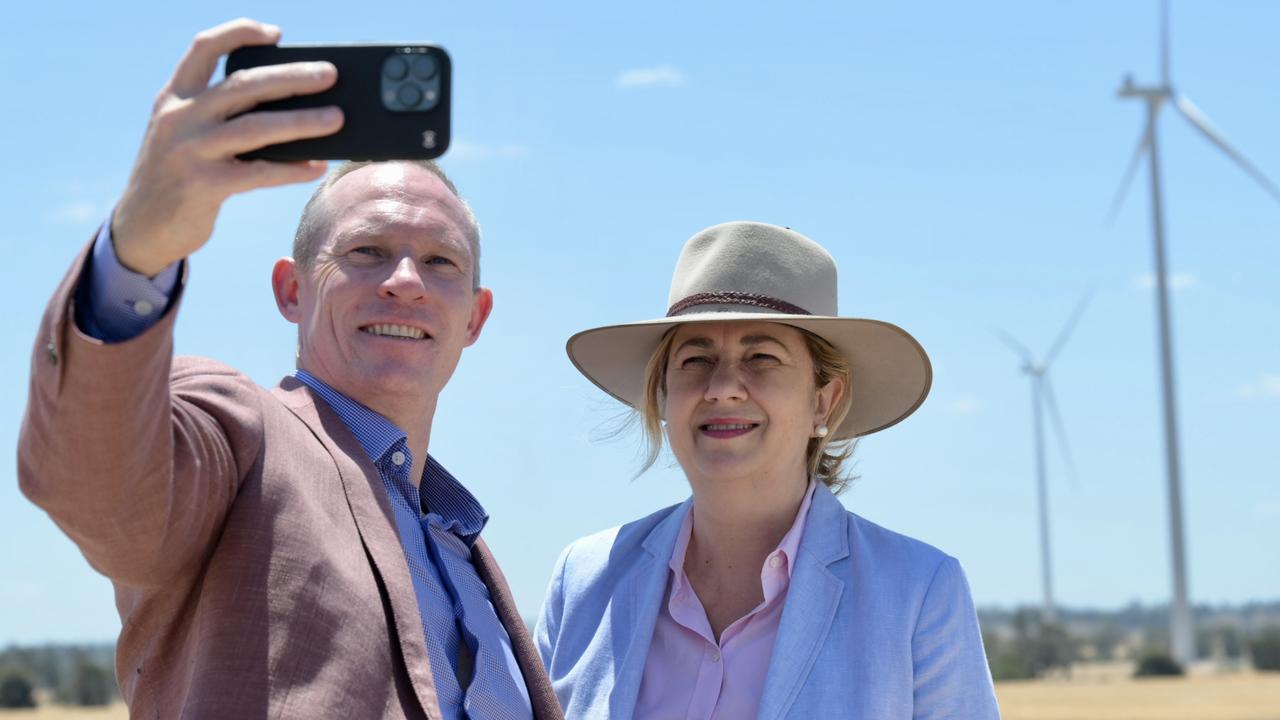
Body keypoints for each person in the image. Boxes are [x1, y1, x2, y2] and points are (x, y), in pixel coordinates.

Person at [18, 19, 561, 719]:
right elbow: (99, 486)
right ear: (292, 290)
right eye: (365, 251)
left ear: (475, 318)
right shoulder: (242, 437)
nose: (405, 281)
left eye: (440, 261)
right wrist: (139, 248)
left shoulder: (465, 552)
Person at [535, 221, 1000, 719]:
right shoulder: (585, 579)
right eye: (695, 359)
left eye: (761, 357)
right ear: (665, 394)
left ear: (825, 400)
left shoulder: (918, 592)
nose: (722, 387)